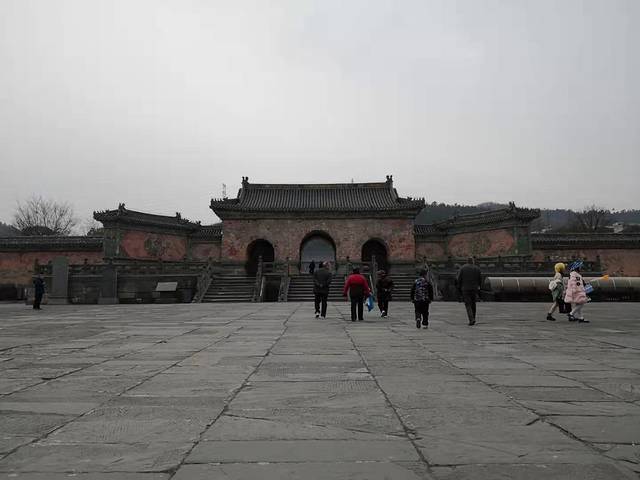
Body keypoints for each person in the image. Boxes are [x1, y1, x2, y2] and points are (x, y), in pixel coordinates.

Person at [456, 257, 482, 326]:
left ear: (467, 261)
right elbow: (480, 279)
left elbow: (459, 279)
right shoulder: (477, 268)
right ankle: (473, 318)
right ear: (473, 261)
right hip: (474, 289)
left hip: (465, 289)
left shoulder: (463, 268)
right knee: (473, 304)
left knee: (468, 304)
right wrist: (479, 286)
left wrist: (459, 287)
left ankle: (471, 319)